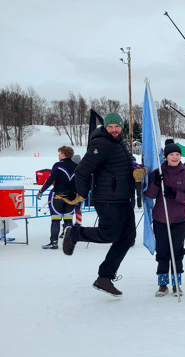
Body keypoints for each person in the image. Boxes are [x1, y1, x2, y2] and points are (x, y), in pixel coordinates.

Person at [62, 113, 136, 297]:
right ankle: (75, 233)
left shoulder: (120, 143)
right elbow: (82, 170)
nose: (114, 130)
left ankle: (104, 278)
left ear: (121, 127)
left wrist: (137, 170)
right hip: (107, 198)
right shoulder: (101, 143)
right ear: (105, 127)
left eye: (116, 126)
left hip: (123, 197)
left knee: (127, 237)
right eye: (110, 126)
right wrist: (82, 193)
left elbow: (121, 166)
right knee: (109, 234)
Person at [144, 140, 185, 296]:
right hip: (161, 219)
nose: (175, 157)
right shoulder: (158, 172)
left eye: (177, 154)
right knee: (162, 251)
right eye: (171, 154)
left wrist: (175, 195)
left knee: (177, 251)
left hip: (179, 220)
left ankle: (176, 284)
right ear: (166, 156)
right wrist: (156, 183)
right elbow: (150, 195)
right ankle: (162, 284)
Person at [38, 146, 77, 249]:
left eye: (59, 153)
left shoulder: (58, 165)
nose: (58, 155)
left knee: (55, 220)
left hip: (58, 197)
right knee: (68, 221)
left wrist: (41, 191)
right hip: (72, 198)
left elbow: (50, 179)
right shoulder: (77, 166)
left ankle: (54, 243)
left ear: (63, 154)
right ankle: (70, 242)